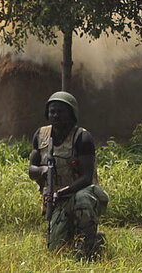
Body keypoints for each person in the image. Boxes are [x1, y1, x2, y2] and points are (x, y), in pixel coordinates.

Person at [28, 91, 109, 260]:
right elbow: (31, 171)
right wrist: (43, 171)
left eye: (60, 111)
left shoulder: (82, 137)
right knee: (56, 249)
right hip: (56, 200)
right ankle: (78, 236)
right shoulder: (41, 136)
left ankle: (90, 246)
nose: (55, 115)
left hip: (83, 193)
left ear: (71, 114)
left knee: (82, 199)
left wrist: (62, 192)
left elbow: (86, 178)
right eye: (52, 112)